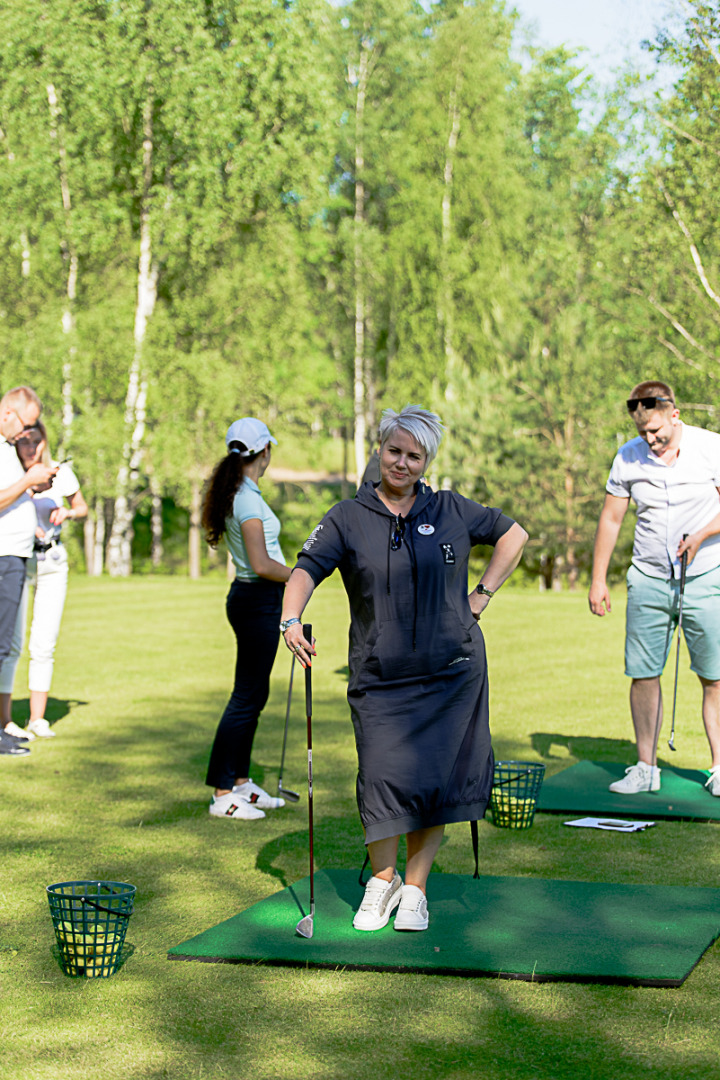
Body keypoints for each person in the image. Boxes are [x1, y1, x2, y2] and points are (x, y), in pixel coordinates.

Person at [280, 405, 528, 932]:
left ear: (426, 461)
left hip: (452, 671)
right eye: (394, 451)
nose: (402, 462)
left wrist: (479, 597)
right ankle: (381, 879)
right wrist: (290, 619)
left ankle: (414, 889)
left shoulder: (452, 509)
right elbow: (304, 570)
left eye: (414, 455)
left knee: (436, 782)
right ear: (379, 450)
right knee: (381, 776)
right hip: (380, 676)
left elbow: (515, 536)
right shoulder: (348, 516)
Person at [588, 380, 720, 796]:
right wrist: (597, 579)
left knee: (714, 677)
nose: (650, 440)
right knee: (644, 673)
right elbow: (611, 519)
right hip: (647, 577)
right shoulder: (628, 457)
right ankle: (646, 767)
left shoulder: (710, 447)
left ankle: (719, 767)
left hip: (706, 576)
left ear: (675, 415)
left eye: (657, 432)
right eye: (643, 432)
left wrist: (700, 535)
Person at [203, 417, 292, 820]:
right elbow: (260, 563)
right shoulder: (247, 498)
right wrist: (304, 575)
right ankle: (223, 793)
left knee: (255, 694)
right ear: (265, 452)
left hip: (255, 600)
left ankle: (240, 782)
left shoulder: (241, 491)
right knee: (245, 696)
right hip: (257, 599)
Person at [0, 422, 88, 739]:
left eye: (37, 441)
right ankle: (5, 720)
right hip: (19, 559)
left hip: (52, 561)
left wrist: (68, 514)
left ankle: (37, 718)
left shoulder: (58, 473)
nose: (32, 448)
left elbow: (81, 506)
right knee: (11, 643)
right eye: (25, 441)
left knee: (44, 642)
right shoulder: (9, 472)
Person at [0, 387, 57, 757]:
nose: (27, 433)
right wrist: (27, 480)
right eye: (26, 424)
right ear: (7, 412)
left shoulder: (7, 449)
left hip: (15, 557)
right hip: (3, 556)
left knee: (4, 644)